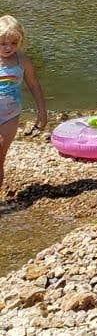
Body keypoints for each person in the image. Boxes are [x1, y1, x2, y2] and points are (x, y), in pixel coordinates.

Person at [0, 14, 49, 202]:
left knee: (0, 157)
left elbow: (34, 85)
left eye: (13, 43)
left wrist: (42, 112)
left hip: (10, 115)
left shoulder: (22, 61)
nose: (7, 48)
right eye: (2, 43)